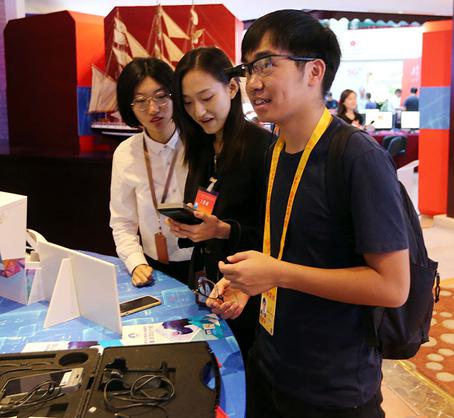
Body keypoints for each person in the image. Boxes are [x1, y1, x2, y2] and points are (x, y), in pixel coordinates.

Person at [207, 9, 410, 418]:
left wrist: (277, 273)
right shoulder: (276, 148)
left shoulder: (356, 156)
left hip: (333, 388)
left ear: (314, 71)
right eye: (248, 69)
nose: (253, 83)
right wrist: (251, 283)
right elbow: (293, 249)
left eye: (267, 64)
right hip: (271, 365)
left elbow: (392, 287)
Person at [168, 47, 273, 359]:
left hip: (244, 290)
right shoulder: (201, 145)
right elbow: (205, 207)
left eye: (206, 97)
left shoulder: (262, 148)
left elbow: (277, 236)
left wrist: (224, 230)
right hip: (203, 278)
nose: (199, 111)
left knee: (238, 368)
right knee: (205, 361)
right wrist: (191, 225)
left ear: (231, 87)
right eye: (188, 103)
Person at [109, 58, 192, 287]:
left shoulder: (199, 145)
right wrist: (136, 262)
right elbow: (122, 221)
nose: (153, 109)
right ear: (130, 106)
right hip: (153, 268)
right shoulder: (126, 154)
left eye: (160, 96)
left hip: (203, 264)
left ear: (174, 94)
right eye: (140, 101)